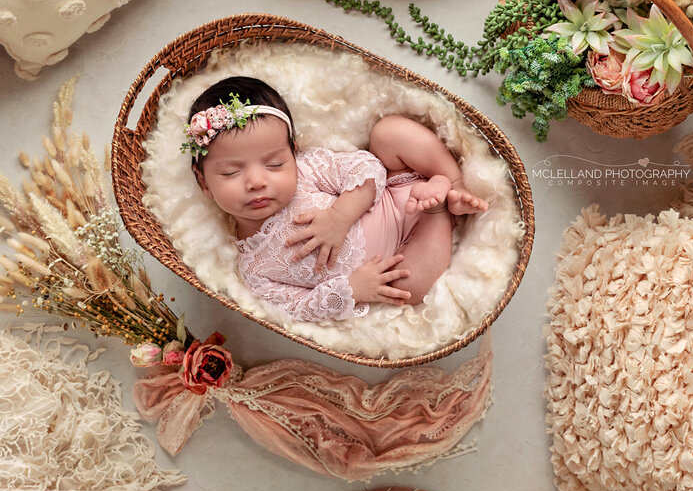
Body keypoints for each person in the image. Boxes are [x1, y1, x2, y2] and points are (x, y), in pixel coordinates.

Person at [185, 76, 488, 322]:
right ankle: (438, 211)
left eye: (274, 164)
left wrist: (340, 216)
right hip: (398, 255)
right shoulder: (254, 270)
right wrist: (353, 290)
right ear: (204, 183)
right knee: (406, 289)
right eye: (231, 172)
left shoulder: (306, 171)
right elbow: (300, 308)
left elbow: (367, 167)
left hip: (395, 188)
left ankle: (454, 182)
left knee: (388, 132)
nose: (256, 182)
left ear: (293, 151)